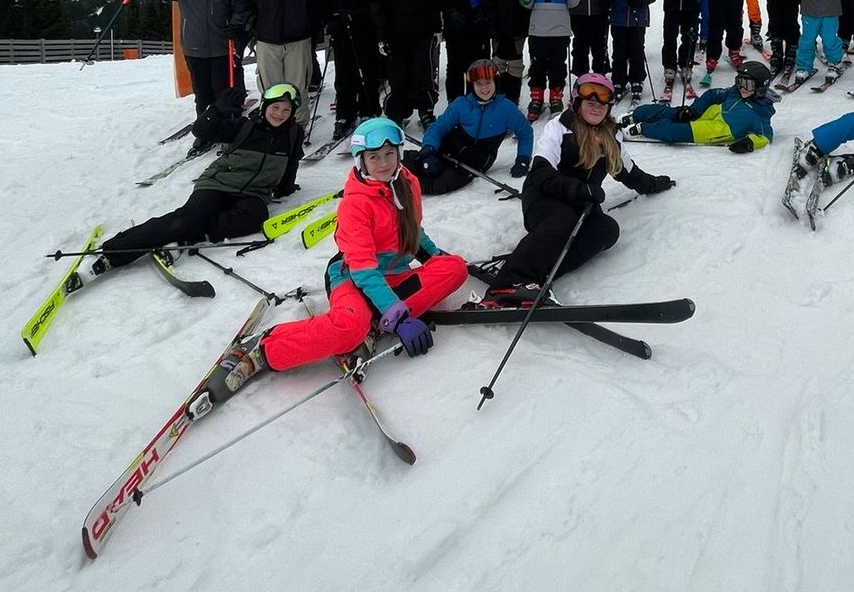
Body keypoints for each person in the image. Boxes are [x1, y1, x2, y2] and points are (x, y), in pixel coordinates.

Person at [203, 118, 469, 405]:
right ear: (361, 160)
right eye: (374, 157)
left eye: (389, 154)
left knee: (455, 268)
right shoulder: (355, 205)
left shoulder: (407, 183)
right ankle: (262, 349)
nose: (383, 163)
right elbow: (364, 270)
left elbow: (413, 229)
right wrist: (401, 317)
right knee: (349, 328)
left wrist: (436, 259)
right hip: (353, 276)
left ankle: (376, 321)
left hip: (394, 275)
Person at [484, 73, 674, 302]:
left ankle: (538, 276)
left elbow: (630, 173)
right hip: (543, 198)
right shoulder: (559, 128)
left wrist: (655, 184)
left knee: (607, 230)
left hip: (582, 204)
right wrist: (579, 189)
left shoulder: (611, 136)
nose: (596, 108)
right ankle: (507, 283)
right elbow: (540, 174)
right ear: (577, 103)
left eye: (602, 104)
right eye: (590, 103)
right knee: (563, 219)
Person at [88, 84, 306, 273]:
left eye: (286, 109)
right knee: (187, 219)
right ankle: (114, 251)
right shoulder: (244, 126)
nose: (279, 113)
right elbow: (202, 131)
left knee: (255, 218)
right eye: (275, 107)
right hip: (218, 184)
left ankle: (186, 237)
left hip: (253, 193)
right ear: (264, 106)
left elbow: (291, 162)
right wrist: (216, 111)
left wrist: (286, 187)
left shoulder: (293, 134)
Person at [140, 0, 243, 147]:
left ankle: (229, 129)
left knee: (223, 92)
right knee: (202, 93)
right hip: (195, 49)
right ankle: (205, 131)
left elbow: (241, 8)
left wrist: (237, 24)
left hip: (222, 48)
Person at [239, 0, 324, 128]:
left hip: (298, 40)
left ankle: (298, 125)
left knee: (297, 86)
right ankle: (270, 124)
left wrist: (312, 31)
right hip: (268, 40)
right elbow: (245, 3)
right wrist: (251, 28)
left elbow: (318, 5)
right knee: (270, 87)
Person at [406, 59, 533, 195]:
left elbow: (525, 132)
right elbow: (438, 127)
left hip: (475, 161)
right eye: (479, 84)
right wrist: (428, 150)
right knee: (411, 162)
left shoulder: (506, 109)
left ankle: (407, 188)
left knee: (442, 181)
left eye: (488, 83)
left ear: (496, 82)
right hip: (448, 147)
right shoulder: (461, 104)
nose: (484, 88)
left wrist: (523, 159)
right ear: (472, 85)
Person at [371, 0, 442, 129]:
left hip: (422, 33)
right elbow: (378, 6)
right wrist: (381, 36)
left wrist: (437, 28)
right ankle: (396, 112)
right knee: (397, 75)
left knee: (423, 73)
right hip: (396, 34)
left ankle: (426, 111)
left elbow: (434, 2)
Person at [627, 58, 776, 152]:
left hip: (711, 131)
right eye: (739, 81)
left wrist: (749, 143)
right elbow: (712, 95)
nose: (742, 87)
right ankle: (635, 116)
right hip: (705, 115)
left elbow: (766, 136)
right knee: (672, 113)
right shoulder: (735, 92)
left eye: (747, 84)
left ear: (760, 87)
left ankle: (642, 128)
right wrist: (694, 110)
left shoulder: (761, 112)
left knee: (672, 131)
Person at [322, 0, 384, 137]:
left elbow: (379, 2)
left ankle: (369, 110)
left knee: (367, 73)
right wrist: (331, 19)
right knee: (344, 75)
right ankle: (344, 114)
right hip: (341, 33)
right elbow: (327, 1)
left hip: (365, 32)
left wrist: (356, 15)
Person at [519, 0, 579, 120]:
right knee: (538, 65)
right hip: (538, 29)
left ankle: (555, 96)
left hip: (559, 29)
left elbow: (573, 4)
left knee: (557, 65)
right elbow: (526, 4)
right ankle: (536, 98)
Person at [438, 0, 490, 100]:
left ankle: (476, 99)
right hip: (456, 27)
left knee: (478, 65)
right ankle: (455, 101)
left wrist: (483, 13)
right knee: (454, 67)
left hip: (478, 26)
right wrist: (451, 13)